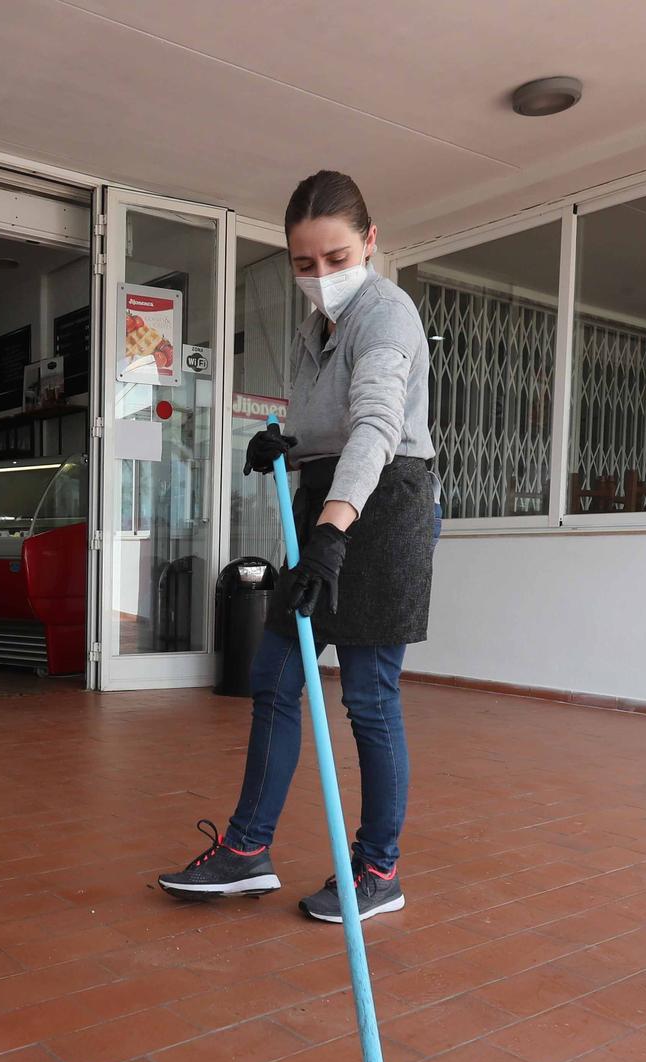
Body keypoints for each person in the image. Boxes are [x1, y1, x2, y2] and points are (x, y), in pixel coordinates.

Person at [159, 170, 437, 923]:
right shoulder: (321, 326)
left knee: (371, 699)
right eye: (304, 263)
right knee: (277, 677)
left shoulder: (387, 316)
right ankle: (247, 850)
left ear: (371, 242)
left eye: (336, 258)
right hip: (327, 502)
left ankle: (379, 869)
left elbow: (377, 426)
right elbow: (332, 424)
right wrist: (286, 443)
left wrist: (329, 538)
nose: (321, 278)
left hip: (382, 508)